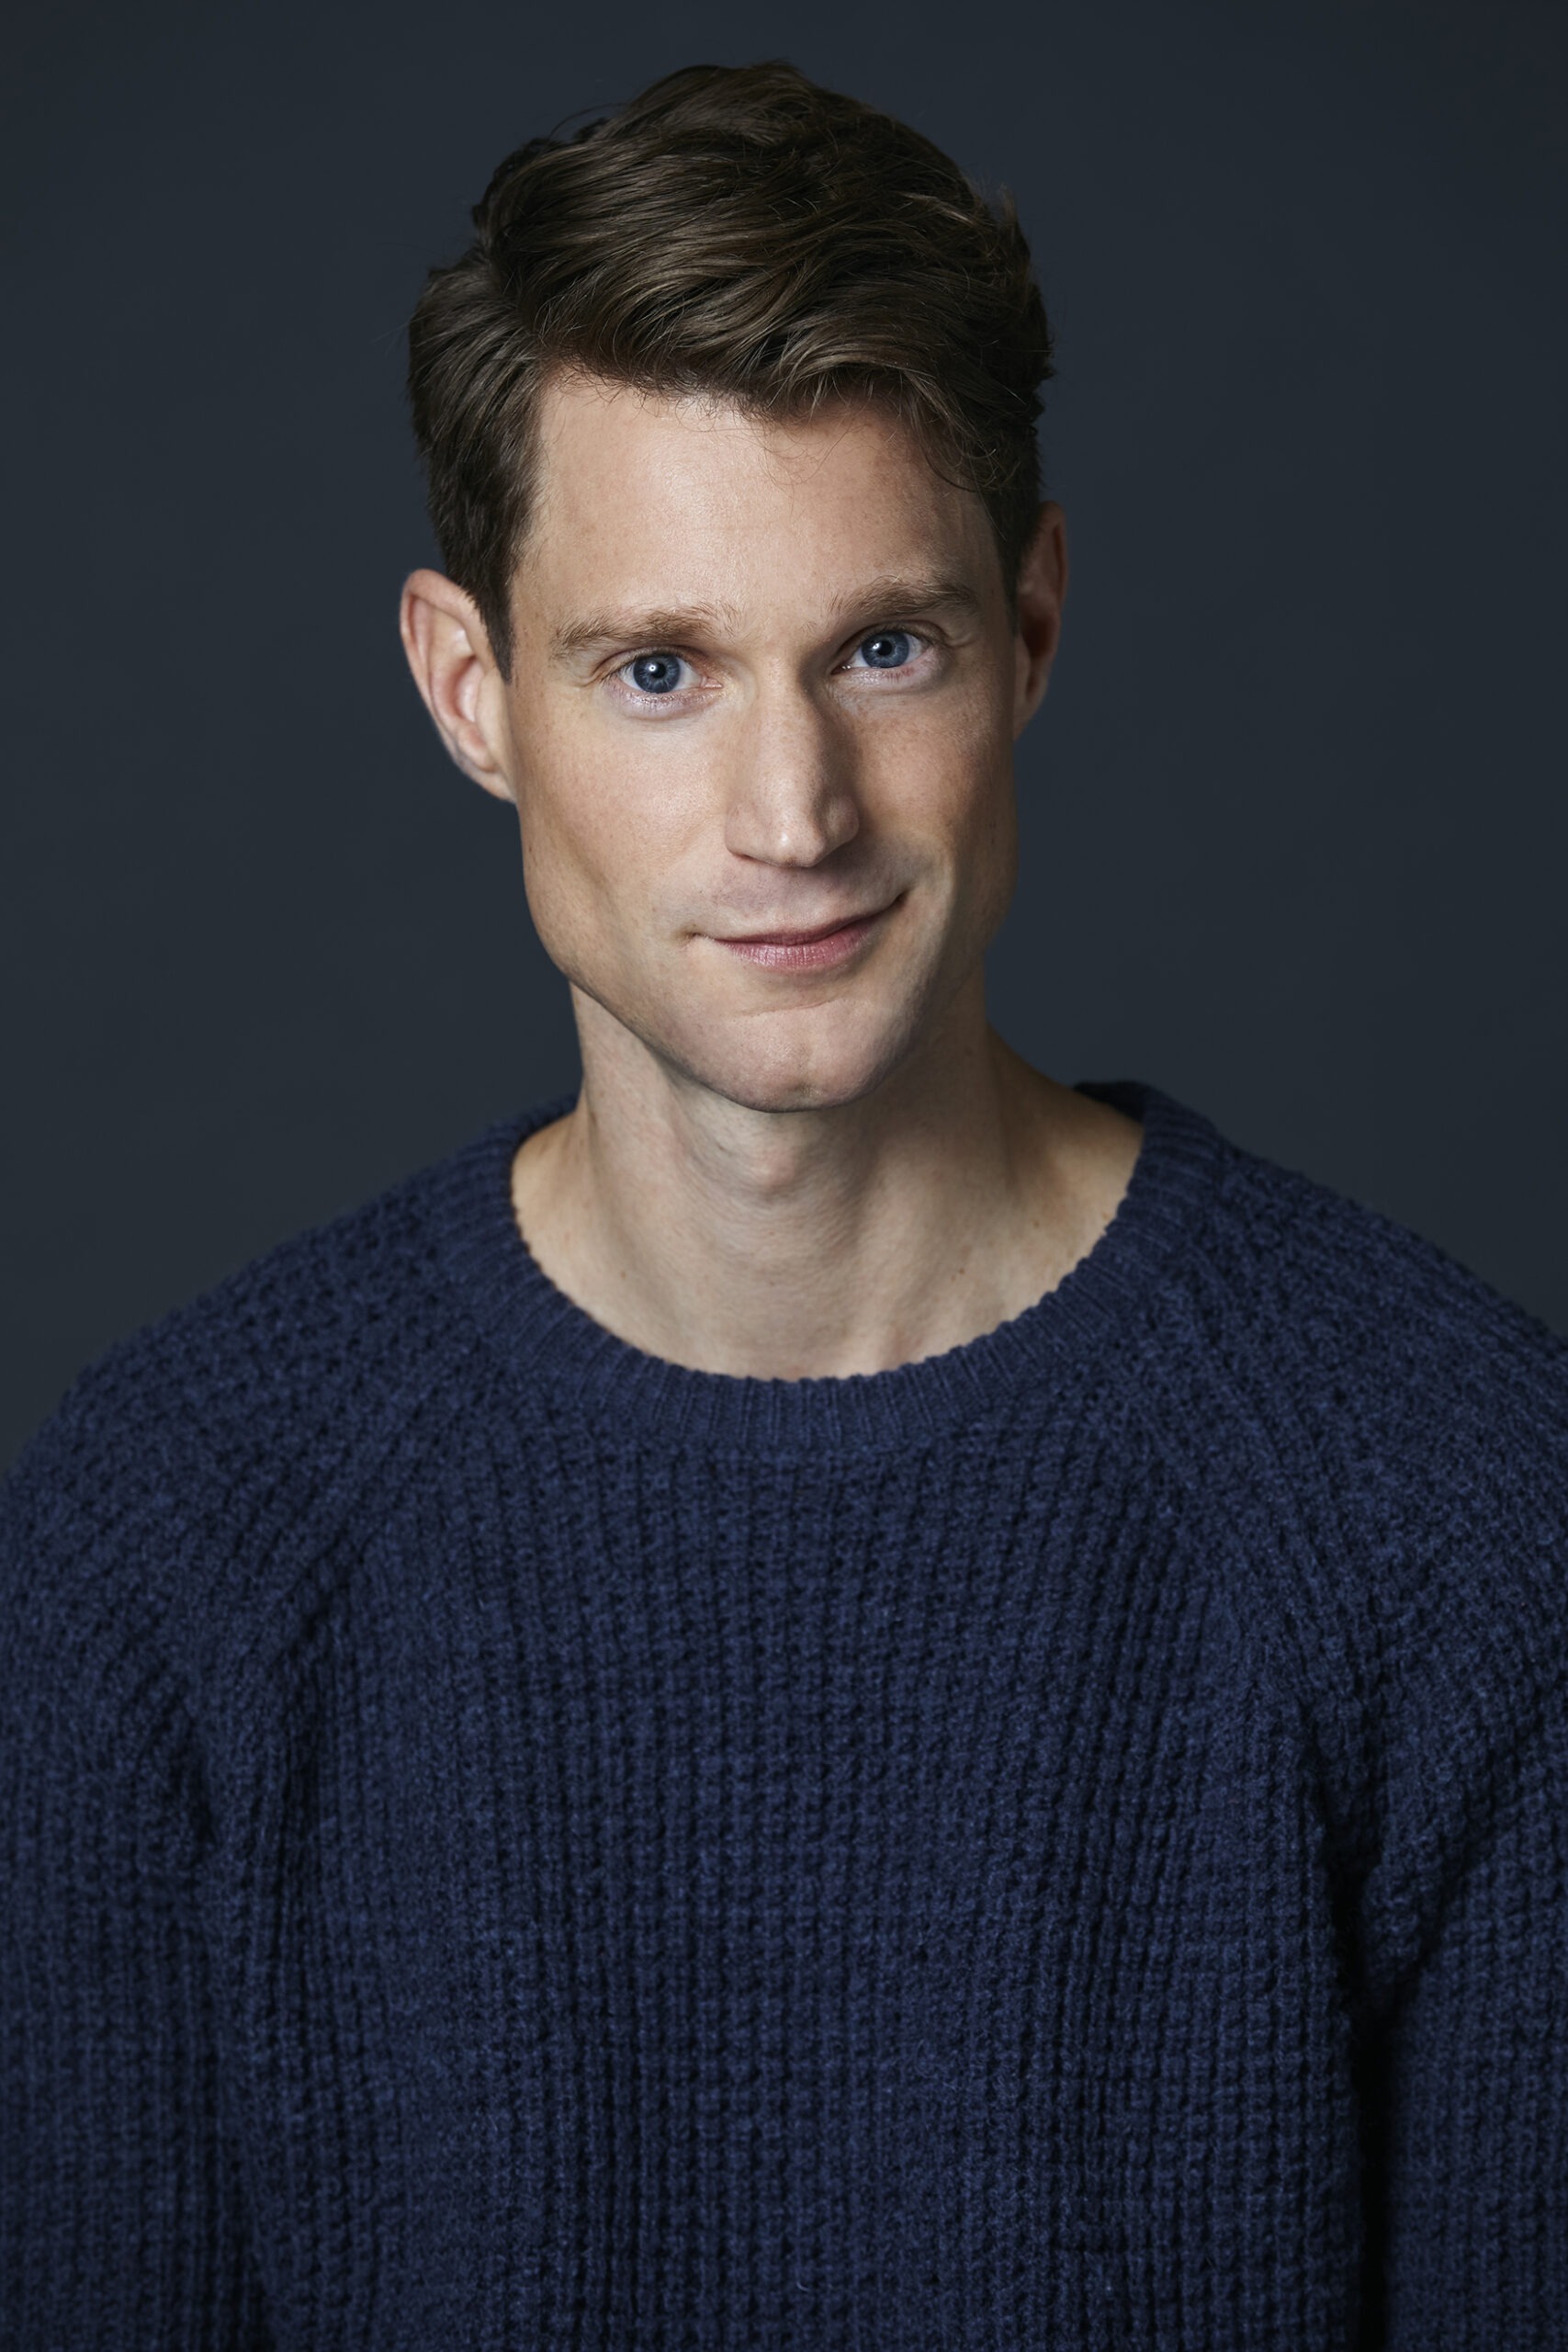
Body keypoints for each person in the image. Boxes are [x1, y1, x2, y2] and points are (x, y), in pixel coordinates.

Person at [2, 57, 1564, 2351]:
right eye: (658, 671)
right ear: (470, 692)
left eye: (882, 648)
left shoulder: (1460, 1508)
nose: (791, 811)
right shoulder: (165, 1543)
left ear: (1030, 629)